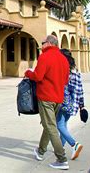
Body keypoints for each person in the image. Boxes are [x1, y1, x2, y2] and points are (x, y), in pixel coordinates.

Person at [25, 35, 70, 170]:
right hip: (58, 97)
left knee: (50, 126)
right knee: (48, 124)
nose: (41, 45)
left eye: (42, 42)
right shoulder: (63, 58)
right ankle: (40, 151)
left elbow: (38, 76)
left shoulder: (44, 57)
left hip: (46, 97)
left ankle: (61, 159)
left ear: (49, 43)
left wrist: (28, 72)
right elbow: (66, 80)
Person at [57, 49, 85, 161]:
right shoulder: (75, 71)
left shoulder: (65, 71)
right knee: (64, 124)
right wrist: (82, 105)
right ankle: (61, 149)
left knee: (59, 125)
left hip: (64, 102)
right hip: (73, 103)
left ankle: (74, 144)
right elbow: (80, 89)